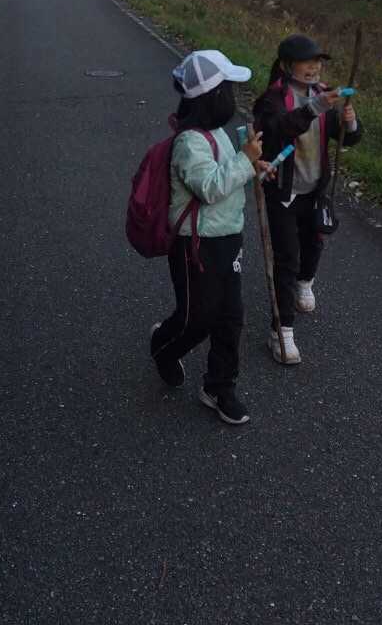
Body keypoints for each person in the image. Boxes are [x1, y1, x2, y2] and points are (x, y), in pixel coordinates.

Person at [150, 49, 270, 425]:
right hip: (194, 243)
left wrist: (253, 165)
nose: (232, 99)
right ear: (214, 97)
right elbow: (210, 187)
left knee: (230, 316)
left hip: (227, 237)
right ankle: (164, 346)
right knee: (197, 317)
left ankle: (220, 386)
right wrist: (244, 160)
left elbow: (228, 174)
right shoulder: (189, 142)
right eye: (229, 91)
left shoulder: (217, 133)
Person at [252, 33, 363, 364]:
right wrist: (316, 107)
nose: (314, 68)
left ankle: (305, 282)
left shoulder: (322, 94)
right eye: (307, 62)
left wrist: (350, 123)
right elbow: (278, 130)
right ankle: (281, 331)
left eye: (318, 62)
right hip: (283, 193)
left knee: (314, 243)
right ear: (288, 66)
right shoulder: (272, 99)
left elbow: (346, 138)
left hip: (315, 189)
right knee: (286, 258)